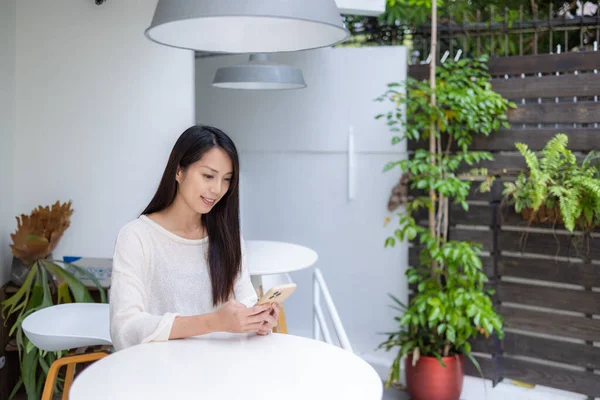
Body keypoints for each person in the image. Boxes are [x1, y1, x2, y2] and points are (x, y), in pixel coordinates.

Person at [109, 125, 279, 351]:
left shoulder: (228, 238)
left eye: (227, 179)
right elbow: (125, 328)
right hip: (158, 373)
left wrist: (257, 318)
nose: (217, 189)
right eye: (208, 176)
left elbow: (245, 300)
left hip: (220, 370)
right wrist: (214, 322)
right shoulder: (137, 237)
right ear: (179, 171)